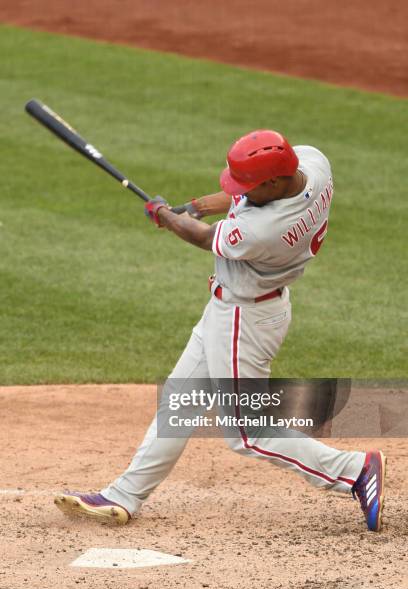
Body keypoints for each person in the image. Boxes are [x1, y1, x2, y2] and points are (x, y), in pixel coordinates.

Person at [54, 130, 386, 532]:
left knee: (247, 433)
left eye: (250, 185)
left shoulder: (262, 231)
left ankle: (355, 470)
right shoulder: (313, 163)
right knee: (180, 400)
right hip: (241, 309)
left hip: (243, 321)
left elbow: (203, 236)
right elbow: (239, 198)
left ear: (276, 182)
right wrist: (192, 206)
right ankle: (125, 494)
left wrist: (167, 217)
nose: (241, 191)